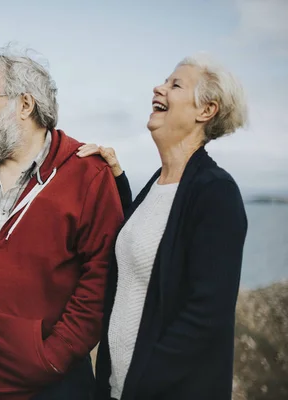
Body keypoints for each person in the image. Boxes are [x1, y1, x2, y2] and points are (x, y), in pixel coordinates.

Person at [0, 45, 125, 400]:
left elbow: (100, 279)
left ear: (25, 105)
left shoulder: (87, 174)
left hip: (52, 386)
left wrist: (51, 358)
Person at [77, 54, 249, 400]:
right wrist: (115, 178)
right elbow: (147, 241)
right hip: (116, 389)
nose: (159, 87)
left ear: (206, 111)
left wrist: (143, 384)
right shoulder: (158, 182)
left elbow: (206, 316)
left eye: (175, 84)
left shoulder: (216, 192)